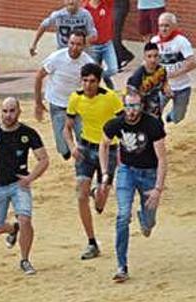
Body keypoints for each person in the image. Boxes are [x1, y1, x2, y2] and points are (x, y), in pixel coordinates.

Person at [0, 97, 50, 275]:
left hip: (18, 184)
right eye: (5, 111)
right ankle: (12, 229)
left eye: (12, 111)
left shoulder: (28, 133)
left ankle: (25, 259)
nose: (8, 115)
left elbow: (44, 159)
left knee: (25, 219)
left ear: (19, 112)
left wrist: (29, 178)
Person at [99, 92, 167, 282]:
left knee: (149, 222)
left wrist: (158, 189)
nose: (131, 111)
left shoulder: (152, 125)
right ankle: (121, 266)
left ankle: (144, 220)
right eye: (128, 106)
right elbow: (103, 145)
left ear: (142, 106)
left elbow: (162, 158)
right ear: (124, 106)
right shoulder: (116, 124)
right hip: (126, 171)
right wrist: (105, 173)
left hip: (149, 173)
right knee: (122, 216)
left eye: (135, 106)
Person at [63, 62, 123, 260]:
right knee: (81, 195)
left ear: (99, 82)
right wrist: (72, 147)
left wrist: (124, 150)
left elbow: (124, 124)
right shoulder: (75, 98)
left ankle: (98, 191)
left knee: (100, 203)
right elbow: (67, 128)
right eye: (85, 80)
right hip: (86, 149)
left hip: (109, 150)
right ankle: (91, 242)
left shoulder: (111, 98)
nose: (88, 85)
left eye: (93, 81)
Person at [34, 30, 94, 159]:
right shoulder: (56, 58)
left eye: (78, 44)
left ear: (84, 46)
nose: (74, 47)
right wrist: (38, 103)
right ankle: (66, 151)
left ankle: (83, 162)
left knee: (83, 137)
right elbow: (39, 76)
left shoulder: (88, 63)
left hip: (78, 105)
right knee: (63, 148)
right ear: (68, 42)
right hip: (57, 103)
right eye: (72, 43)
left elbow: (94, 86)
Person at [151, 13, 195, 124]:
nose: (163, 29)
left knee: (177, 118)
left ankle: (171, 116)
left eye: (167, 25)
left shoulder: (181, 41)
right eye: (161, 25)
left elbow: (193, 62)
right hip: (162, 86)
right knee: (153, 113)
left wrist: (175, 73)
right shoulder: (154, 41)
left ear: (174, 26)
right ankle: (157, 131)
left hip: (182, 87)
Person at [29, 0, 98, 57]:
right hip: (63, 51)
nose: (71, 2)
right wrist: (34, 44)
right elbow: (43, 25)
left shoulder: (85, 15)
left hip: (81, 52)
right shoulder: (58, 15)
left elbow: (92, 34)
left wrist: (84, 46)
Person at [127, 42, 170, 120]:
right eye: (149, 56)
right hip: (141, 114)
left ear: (159, 56)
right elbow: (130, 97)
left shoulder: (161, 70)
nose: (153, 60)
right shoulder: (138, 76)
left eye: (155, 56)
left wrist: (166, 88)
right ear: (144, 57)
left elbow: (164, 82)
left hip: (155, 111)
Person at [83, 0, 118, 89]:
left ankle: (104, 76)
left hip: (107, 44)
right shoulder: (85, 9)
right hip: (93, 46)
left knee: (113, 69)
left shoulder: (107, 3)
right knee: (93, 74)